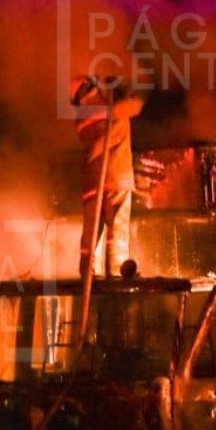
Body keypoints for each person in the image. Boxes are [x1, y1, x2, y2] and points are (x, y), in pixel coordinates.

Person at [71, 74, 146, 278]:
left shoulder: (82, 119)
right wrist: (124, 87)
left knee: (91, 233)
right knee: (117, 232)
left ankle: (88, 273)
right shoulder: (113, 108)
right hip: (116, 178)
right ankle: (116, 272)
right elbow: (137, 104)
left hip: (92, 182)